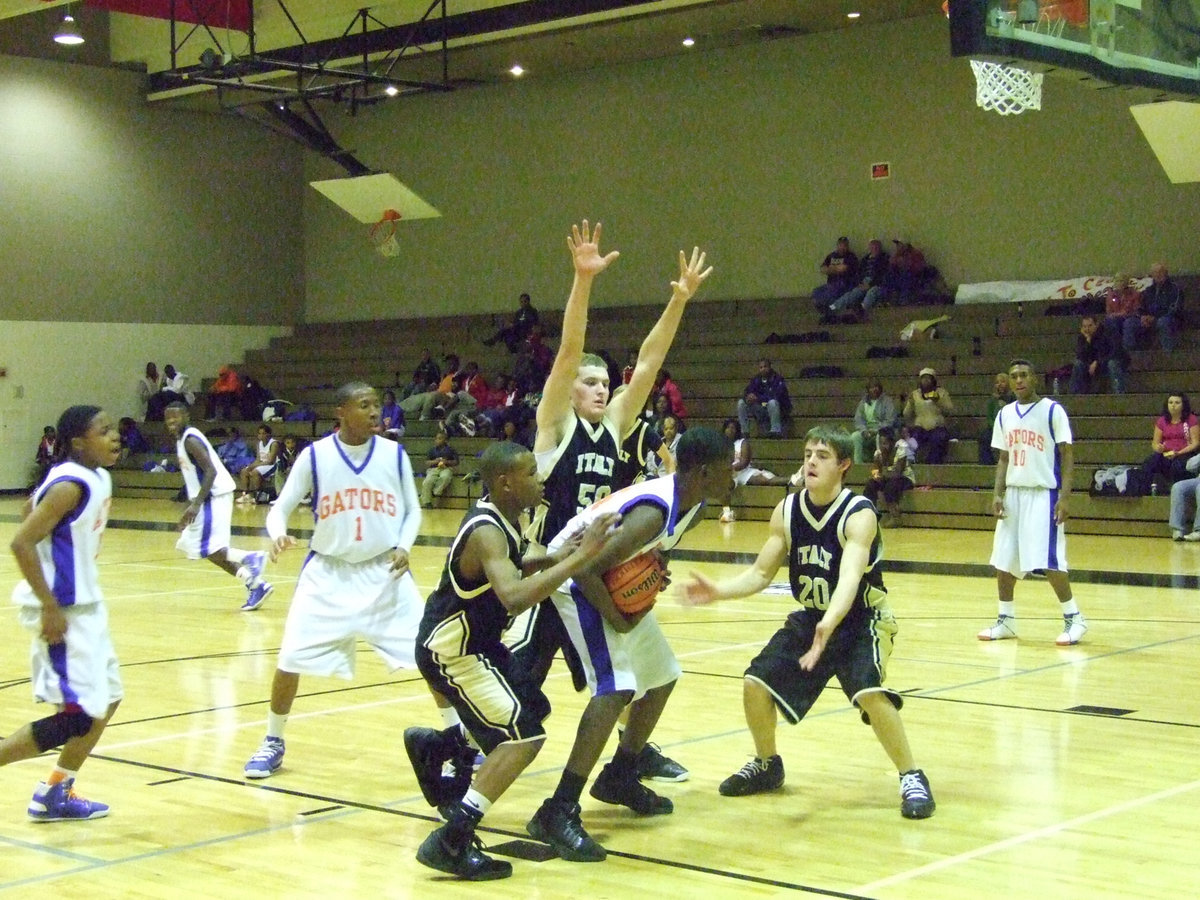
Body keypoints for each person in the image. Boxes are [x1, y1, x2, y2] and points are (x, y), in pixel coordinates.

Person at [504, 221, 712, 806]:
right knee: (524, 684)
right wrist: (582, 281)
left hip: (583, 571)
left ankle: (626, 758)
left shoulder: (615, 427)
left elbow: (647, 364)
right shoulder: (554, 427)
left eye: (603, 383)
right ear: (570, 389)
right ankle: (475, 753)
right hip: (544, 571)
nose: (599, 389)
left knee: (623, 674)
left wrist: (678, 300)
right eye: (589, 382)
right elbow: (569, 349)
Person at [681, 425, 936, 821]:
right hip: (814, 617)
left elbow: (850, 577)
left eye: (822, 455)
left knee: (870, 692)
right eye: (807, 454)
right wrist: (718, 591)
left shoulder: (859, 513)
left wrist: (829, 625)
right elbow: (762, 574)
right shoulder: (787, 510)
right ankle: (768, 765)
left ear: (844, 465)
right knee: (754, 684)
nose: (811, 461)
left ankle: (911, 775)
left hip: (861, 618)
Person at [410, 442, 619, 881]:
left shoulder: (506, 518)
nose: (540, 479)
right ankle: (453, 839)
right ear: (505, 482)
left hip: (481, 645)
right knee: (523, 737)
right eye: (531, 472)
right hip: (454, 651)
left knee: (533, 706)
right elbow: (514, 593)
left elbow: (517, 560)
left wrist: (560, 554)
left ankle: (439, 748)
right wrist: (580, 560)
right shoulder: (486, 529)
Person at [527, 426, 733, 862]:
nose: (734, 475)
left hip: (597, 576)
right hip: (571, 578)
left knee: (662, 676)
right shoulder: (655, 511)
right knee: (615, 687)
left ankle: (620, 774)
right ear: (702, 472)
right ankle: (557, 809)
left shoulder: (691, 504)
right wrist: (620, 618)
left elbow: (650, 549)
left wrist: (654, 566)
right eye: (727, 467)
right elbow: (584, 570)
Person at [242, 382, 423, 779]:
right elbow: (281, 508)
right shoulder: (316, 456)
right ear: (341, 411)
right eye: (365, 405)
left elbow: (412, 511)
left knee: (433, 656)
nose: (375, 412)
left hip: (384, 572)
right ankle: (273, 740)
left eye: (377, 404)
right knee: (290, 658)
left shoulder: (394, 454)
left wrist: (405, 545)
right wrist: (277, 535)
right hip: (327, 573)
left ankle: (460, 738)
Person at [1, 405, 121, 821]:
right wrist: (50, 605)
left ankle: (56, 791)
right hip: (63, 613)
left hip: (88, 608)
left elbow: (28, 507)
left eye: (113, 429)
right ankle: (53, 791)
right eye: (103, 431)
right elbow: (21, 541)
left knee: (108, 700)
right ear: (77, 443)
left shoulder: (96, 477)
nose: (114, 437)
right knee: (77, 718)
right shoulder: (70, 485)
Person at [978, 359, 1088, 645]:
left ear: (1035, 378)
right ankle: (1006, 620)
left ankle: (1074, 618)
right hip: (1014, 493)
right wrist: (997, 493)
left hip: (1044, 494)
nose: (1018, 380)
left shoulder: (1053, 410)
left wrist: (1065, 497)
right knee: (1003, 560)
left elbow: (1067, 455)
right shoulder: (1004, 414)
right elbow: (1003, 457)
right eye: (1013, 376)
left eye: (1023, 375)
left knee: (1049, 561)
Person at [164, 403, 273, 612]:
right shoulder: (182, 439)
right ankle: (256, 583)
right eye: (168, 419)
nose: (171, 422)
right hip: (208, 498)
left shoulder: (191, 439)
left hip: (212, 497)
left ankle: (251, 559)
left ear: (186, 416)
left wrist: (195, 505)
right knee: (198, 546)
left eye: (175, 418)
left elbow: (210, 471)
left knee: (208, 548)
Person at [721, 418, 789, 523]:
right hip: (729, 474)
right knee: (725, 484)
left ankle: (792, 479)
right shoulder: (720, 445)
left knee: (764, 480)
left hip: (743, 472)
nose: (730, 430)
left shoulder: (742, 442)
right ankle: (726, 513)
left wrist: (730, 468)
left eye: (733, 428)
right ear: (724, 429)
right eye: (728, 427)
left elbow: (744, 462)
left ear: (737, 430)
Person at [1139, 393, 1199, 492]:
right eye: (1170, 402)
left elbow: (1195, 443)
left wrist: (1179, 453)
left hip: (1185, 453)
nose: (1173, 405)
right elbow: (1155, 443)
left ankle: (1179, 492)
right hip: (1166, 453)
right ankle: (1146, 491)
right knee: (1149, 462)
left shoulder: (1191, 419)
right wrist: (1158, 448)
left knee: (1178, 465)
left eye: (1177, 403)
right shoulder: (1162, 421)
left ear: (1183, 405)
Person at [864, 426, 916, 527]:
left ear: (892, 442)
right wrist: (876, 476)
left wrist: (882, 476)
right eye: (881, 443)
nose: (883, 446)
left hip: (905, 478)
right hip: (887, 478)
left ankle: (895, 517)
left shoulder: (901, 448)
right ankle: (869, 515)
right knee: (870, 484)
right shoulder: (878, 453)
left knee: (891, 486)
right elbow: (875, 469)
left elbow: (898, 472)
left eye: (885, 443)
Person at [828, 238, 889, 319]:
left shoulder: (884, 258)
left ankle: (862, 310)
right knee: (854, 293)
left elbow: (884, 274)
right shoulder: (865, 259)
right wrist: (859, 283)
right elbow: (859, 273)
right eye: (872, 247)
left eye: (876, 247)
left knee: (871, 292)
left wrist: (870, 284)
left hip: (877, 283)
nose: (874, 249)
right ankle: (832, 307)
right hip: (864, 281)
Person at [903, 367, 953, 463]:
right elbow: (906, 414)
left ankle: (933, 463)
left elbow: (950, 409)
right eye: (923, 378)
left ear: (933, 380)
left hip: (937, 426)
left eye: (928, 378)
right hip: (920, 427)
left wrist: (938, 400)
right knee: (913, 439)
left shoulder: (941, 392)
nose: (925, 380)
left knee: (939, 439)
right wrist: (910, 402)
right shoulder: (915, 394)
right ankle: (911, 462)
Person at [1068, 315, 1127, 395]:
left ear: (1096, 325)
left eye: (1090, 326)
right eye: (1084, 326)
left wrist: (1098, 362)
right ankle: (1075, 395)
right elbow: (1081, 356)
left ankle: (1119, 394)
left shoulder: (1107, 333)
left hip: (1109, 361)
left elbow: (1113, 352)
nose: (1087, 329)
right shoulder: (1083, 337)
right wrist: (1088, 341)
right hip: (1093, 364)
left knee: (1112, 364)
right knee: (1078, 364)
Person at [736, 358, 791, 439]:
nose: (763, 369)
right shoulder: (756, 379)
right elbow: (748, 391)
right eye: (761, 367)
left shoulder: (778, 379)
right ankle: (745, 432)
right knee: (741, 403)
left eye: (765, 367)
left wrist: (758, 398)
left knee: (772, 403)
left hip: (777, 409)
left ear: (770, 367)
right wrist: (748, 396)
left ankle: (775, 431)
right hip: (761, 407)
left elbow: (777, 396)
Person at [850, 379, 899, 464]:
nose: (874, 389)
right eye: (872, 387)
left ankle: (880, 464)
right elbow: (858, 420)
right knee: (855, 436)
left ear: (880, 389)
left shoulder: (887, 401)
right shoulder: (863, 402)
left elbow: (890, 420)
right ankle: (858, 464)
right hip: (867, 431)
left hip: (883, 431)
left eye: (876, 387)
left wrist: (876, 430)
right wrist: (864, 431)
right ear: (868, 390)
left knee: (880, 437)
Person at [1137, 262, 1183, 351]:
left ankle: (1168, 352)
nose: (1158, 275)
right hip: (1150, 318)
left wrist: (1155, 318)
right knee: (1130, 323)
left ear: (1166, 273)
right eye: (1155, 273)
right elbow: (1141, 306)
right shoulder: (1148, 290)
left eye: (1160, 272)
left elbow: (1175, 309)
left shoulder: (1175, 289)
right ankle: (1134, 354)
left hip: (1170, 319)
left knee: (1163, 322)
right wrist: (1143, 316)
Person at [811, 236, 858, 314]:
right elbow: (822, 269)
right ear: (837, 245)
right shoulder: (831, 256)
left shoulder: (851, 256)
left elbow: (843, 269)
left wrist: (830, 268)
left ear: (847, 246)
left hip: (844, 284)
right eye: (840, 245)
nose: (842, 247)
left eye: (845, 245)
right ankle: (828, 311)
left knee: (828, 294)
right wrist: (835, 269)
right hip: (831, 283)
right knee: (815, 292)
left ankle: (831, 310)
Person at [236, 424, 279, 504]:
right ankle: (245, 495)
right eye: (259, 433)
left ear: (268, 434)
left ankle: (257, 496)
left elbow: (270, 461)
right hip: (262, 464)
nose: (260, 435)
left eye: (263, 433)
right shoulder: (259, 443)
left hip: (272, 465)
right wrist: (250, 466)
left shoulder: (274, 443)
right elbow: (258, 459)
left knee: (255, 472)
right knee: (244, 471)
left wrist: (255, 466)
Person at [978, 372, 1015, 465]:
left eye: (1002, 381)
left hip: (1012, 427)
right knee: (984, 437)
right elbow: (989, 417)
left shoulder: (1014, 398)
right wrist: (996, 427)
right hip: (995, 427)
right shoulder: (992, 400)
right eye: (997, 382)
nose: (1000, 384)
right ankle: (986, 463)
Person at [1102, 272, 1143, 353]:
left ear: (1126, 282)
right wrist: (1118, 314)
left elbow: (1136, 311)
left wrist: (1121, 314)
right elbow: (1109, 312)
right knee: (1110, 322)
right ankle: (1115, 350)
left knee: (1128, 323)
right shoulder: (1111, 295)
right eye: (1116, 280)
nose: (1119, 283)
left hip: (1131, 318)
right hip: (1116, 319)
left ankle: (1129, 351)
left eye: (1121, 280)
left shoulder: (1135, 294)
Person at [421, 428, 459, 508]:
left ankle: (436, 491)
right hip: (433, 469)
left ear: (445, 440)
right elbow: (427, 462)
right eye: (436, 438)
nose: (437, 440)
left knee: (445, 477)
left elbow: (456, 462)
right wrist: (435, 461)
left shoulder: (451, 450)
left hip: (446, 468)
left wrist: (446, 462)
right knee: (427, 481)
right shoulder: (432, 450)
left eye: (440, 438)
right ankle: (427, 502)